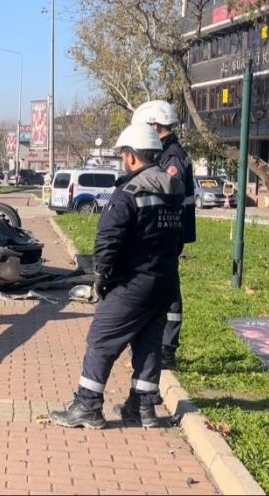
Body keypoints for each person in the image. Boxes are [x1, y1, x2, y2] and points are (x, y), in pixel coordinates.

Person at [50, 124, 184, 429]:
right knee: (148, 343)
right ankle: (143, 408)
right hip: (165, 282)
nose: (123, 159)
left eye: (124, 154)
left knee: (101, 339)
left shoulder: (128, 193)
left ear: (132, 156)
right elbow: (180, 238)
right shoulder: (174, 190)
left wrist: (102, 276)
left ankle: (87, 405)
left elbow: (108, 239)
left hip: (131, 283)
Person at [131, 100, 195, 369]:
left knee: (168, 290)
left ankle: (166, 350)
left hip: (169, 232)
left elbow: (168, 190)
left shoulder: (172, 157)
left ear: (155, 126)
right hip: (166, 231)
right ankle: (154, 344)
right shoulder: (166, 153)